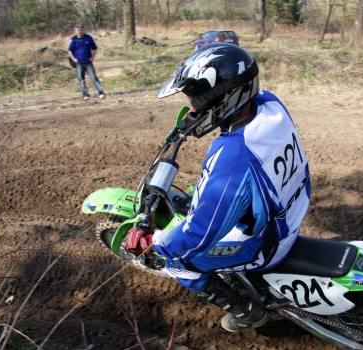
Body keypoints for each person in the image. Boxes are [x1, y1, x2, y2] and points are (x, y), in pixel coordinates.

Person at [126, 44, 311, 332]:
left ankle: (246, 311)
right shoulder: (269, 104)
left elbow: (197, 236)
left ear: (227, 97)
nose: (193, 107)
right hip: (293, 203)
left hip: (267, 241)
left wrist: (156, 241)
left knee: (179, 262)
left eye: (198, 99)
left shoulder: (232, 157)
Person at [67, 24, 105, 100]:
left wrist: (92, 57)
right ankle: (85, 94)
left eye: (80, 30)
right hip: (79, 63)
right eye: (78, 30)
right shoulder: (73, 39)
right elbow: (69, 50)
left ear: (83, 30)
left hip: (88, 62)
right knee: (81, 79)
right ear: (75, 31)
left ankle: (101, 92)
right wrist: (73, 59)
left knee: (93, 77)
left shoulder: (88, 38)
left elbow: (95, 48)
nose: (79, 31)